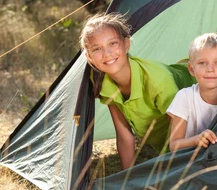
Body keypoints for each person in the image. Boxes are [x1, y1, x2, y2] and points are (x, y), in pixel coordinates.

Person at [80, 13, 195, 170]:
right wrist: (128, 178)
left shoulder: (158, 80)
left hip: (211, 93)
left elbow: (184, 134)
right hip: (170, 141)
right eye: (97, 49)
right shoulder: (101, 81)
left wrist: (177, 172)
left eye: (113, 43)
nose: (107, 53)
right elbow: (124, 134)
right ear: (89, 57)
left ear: (126, 45)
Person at [167, 33, 217, 152]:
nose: (210, 69)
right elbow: (174, 145)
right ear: (191, 69)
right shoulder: (184, 97)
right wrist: (196, 140)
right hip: (190, 160)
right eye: (202, 63)